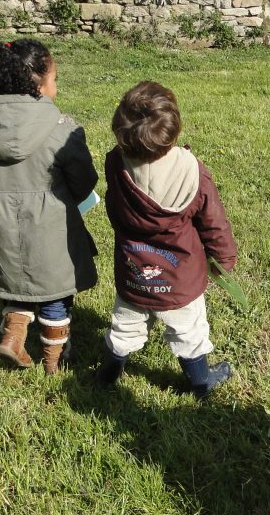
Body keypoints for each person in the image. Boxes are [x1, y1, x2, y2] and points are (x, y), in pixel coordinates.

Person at [0, 39, 99, 374]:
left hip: (0, 227)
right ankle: (54, 362)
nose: (56, 86)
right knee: (55, 295)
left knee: (15, 283)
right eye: (54, 78)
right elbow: (84, 181)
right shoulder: (63, 130)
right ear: (38, 84)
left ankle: (14, 332)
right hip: (52, 227)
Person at [96, 81, 237, 397]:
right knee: (188, 331)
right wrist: (223, 260)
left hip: (133, 272)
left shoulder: (115, 164)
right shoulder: (192, 171)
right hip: (180, 279)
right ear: (173, 130)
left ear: (120, 131)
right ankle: (201, 383)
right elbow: (213, 223)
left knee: (125, 325)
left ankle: (107, 375)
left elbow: (114, 208)